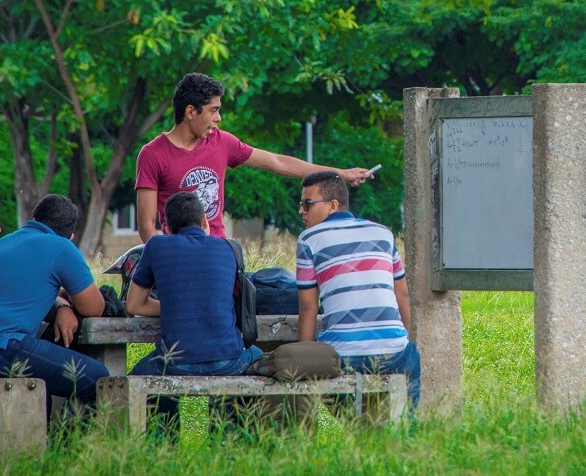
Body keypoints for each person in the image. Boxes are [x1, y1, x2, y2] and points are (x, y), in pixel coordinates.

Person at [135, 72, 372, 243]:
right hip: (178, 257)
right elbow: (147, 228)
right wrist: (168, 261)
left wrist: (340, 174)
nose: (218, 119)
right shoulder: (152, 154)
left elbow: (278, 162)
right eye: (214, 110)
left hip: (218, 253)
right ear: (190, 112)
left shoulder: (222, 142)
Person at [0, 195, 107, 414]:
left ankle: (45, 442)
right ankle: (66, 445)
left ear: (34, 219)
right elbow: (94, 308)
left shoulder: (7, 241)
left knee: (41, 378)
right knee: (98, 380)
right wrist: (68, 300)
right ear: (71, 235)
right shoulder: (62, 246)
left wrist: (62, 306)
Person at [124, 191, 263, 430]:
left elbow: (133, 305)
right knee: (259, 357)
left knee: (135, 378)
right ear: (205, 221)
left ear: (166, 227)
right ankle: (233, 437)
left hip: (175, 362)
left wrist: (176, 306)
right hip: (228, 361)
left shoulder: (156, 245)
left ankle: (164, 442)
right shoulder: (231, 248)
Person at [295, 172, 420, 414]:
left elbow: (308, 307)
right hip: (393, 353)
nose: (302, 210)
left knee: (325, 370)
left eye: (307, 204)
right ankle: (409, 430)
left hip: (344, 358)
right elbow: (402, 295)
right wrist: (401, 340)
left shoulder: (308, 240)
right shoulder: (384, 233)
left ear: (333, 205)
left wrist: (305, 356)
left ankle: (357, 429)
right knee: (412, 357)